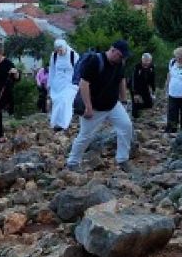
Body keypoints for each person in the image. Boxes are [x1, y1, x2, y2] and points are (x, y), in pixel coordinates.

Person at [66, 40, 134, 172]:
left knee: (126, 126)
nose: (121, 58)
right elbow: (84, 84)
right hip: (94, 106)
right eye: (120, 55)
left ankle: (122, 160)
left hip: (113, 104)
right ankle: (73, 162)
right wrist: (88, 106)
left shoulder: (119, 63)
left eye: (123, 56)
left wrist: (124, 100)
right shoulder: (95, 61)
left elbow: (121, 80)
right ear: (112, 49)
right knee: (85, 135)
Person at [48, 38, 78, 132]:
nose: (60, 52)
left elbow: (79, 69)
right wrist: (50, 84)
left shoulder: (73, 55)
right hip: (58, 83)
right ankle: (56, 123)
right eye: (58, 51)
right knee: (57, 101)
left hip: (71, 83)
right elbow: (52, 70)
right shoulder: (54, 56)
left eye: (61, 50)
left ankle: (64, 123)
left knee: (65, 101)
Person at [129, 53, 156, 119]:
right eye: (145, 60)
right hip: (135, 87)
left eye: (149, 61)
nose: (147, 62)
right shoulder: (137, 67)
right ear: (142, 59)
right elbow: (133, 80)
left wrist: (153, 90)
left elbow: (152, 80)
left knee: (149, 104)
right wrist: (135, 93)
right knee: (135, 102)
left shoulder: (152, 67)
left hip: (145, 86)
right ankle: (134, 116)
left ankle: (135, 108)